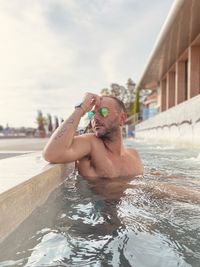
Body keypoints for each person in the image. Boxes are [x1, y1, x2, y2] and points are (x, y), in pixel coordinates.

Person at [43, 92, 143, 179]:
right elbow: (51, 154)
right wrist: (81, 108)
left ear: (122, 118)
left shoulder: (134, 154)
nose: (95, 118)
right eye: (92, 114)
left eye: (103, 112)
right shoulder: (91, 144)